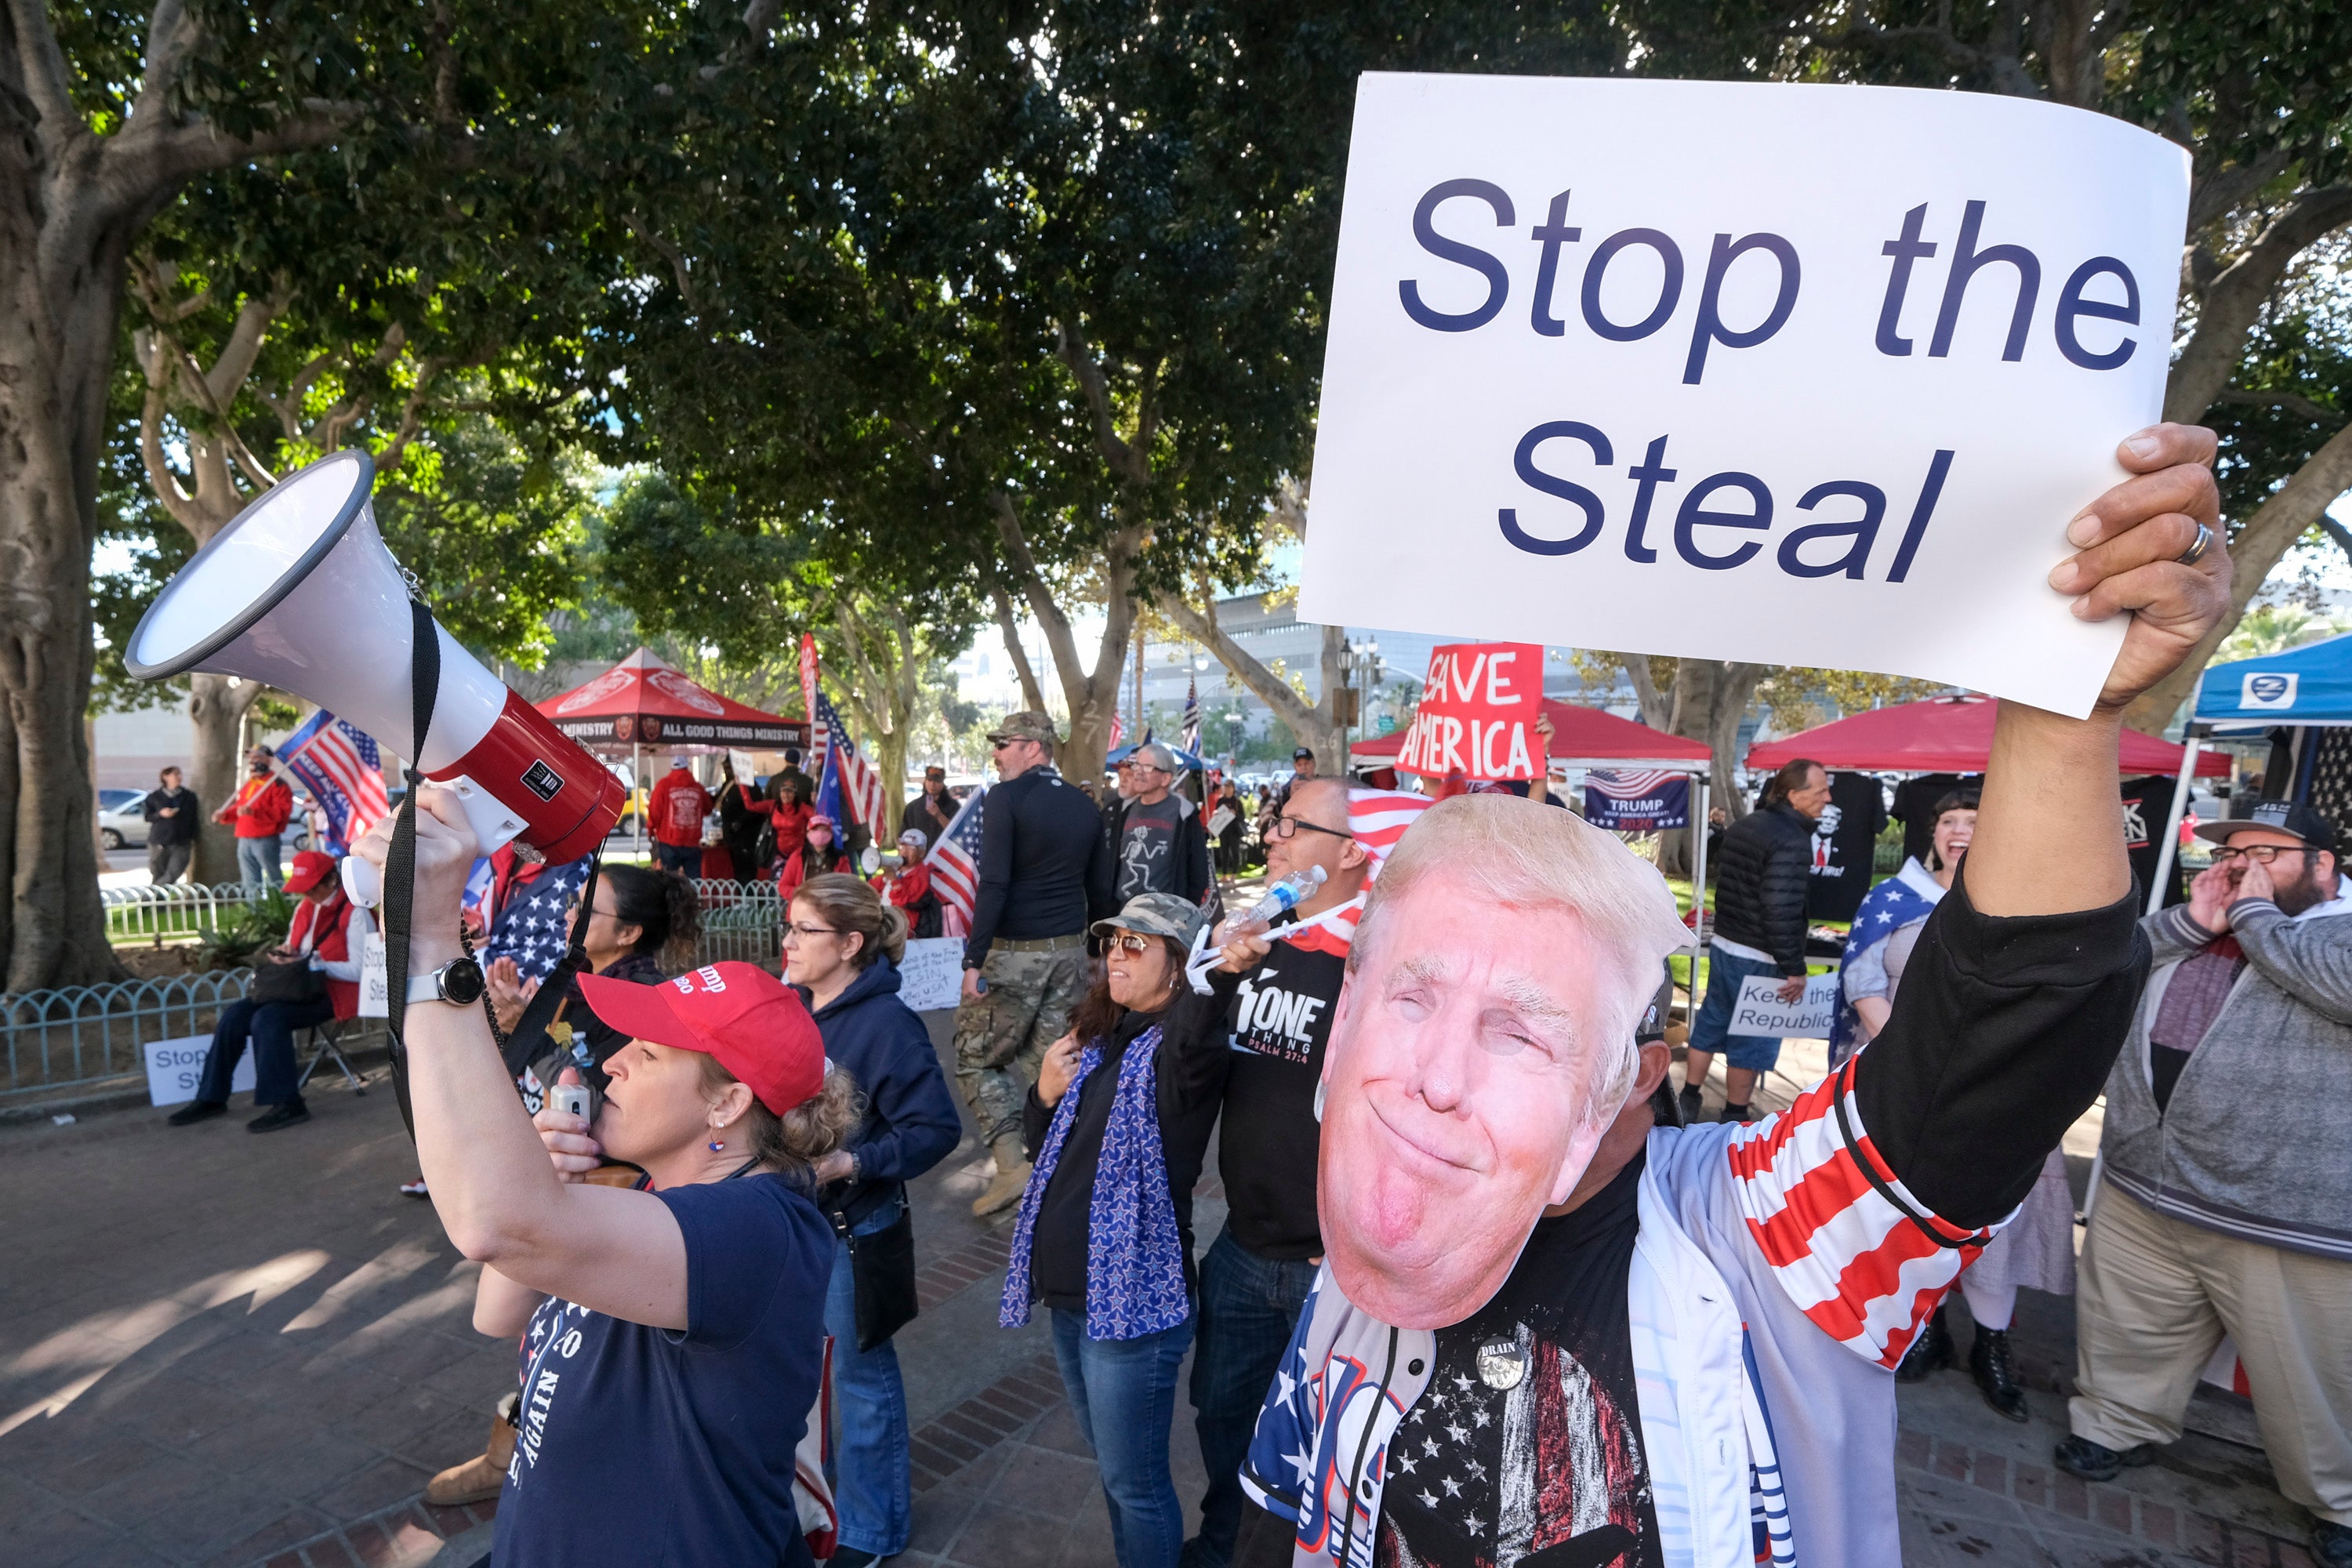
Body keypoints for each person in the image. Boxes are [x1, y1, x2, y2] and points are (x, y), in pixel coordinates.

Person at [1230, 422, 2230, 1568]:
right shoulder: (1367, 1228)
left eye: (1522, 1030)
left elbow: (2004, 1033)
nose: (1432, 1081)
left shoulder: (1755, 1242)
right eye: (1412, 999)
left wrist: (2066, 718)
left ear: (1635, 1077)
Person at [353, 789, 856, 1568]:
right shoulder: (649, 1190)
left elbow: (493, 1223)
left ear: (727, 1101)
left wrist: (428, 945)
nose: (613, 1060)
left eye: (648, 1054)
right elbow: (498, 1303)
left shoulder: (762, 1227)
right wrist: (554, 1179)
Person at [2060, 798, 2352, 1566]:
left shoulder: (2335, 930)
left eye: (2269, 853)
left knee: (2314, 1371)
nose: (2241, 865)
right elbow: (2106, 966)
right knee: (2129, 1323)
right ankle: (2113, 1425)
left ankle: (2338, 1500)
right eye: (2234, 852)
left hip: (2280, 1211)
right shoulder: (2208, 920)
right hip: (2145, 1182)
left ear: (2324, 867)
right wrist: (2191, 922)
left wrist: (2255, 914)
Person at [426, 862, 696, 1504]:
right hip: (557, 1187)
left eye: (584, 907)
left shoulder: (643, 1003)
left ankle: (542, 1462)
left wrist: (535, 1040)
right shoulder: (577, 981)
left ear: (628, 934)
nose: (565, 914)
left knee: (569, 1340)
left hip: (603, 1198)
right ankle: (513, 1448)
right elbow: (541, 1073)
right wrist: (517, 1019)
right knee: (534, 1327)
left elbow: (595, 1102)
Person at [1167, 776, 1371, 1568]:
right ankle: (1226, 1546)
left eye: (1291, 823)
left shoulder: (1385, 958)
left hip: (1343, 1273)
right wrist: (1216, 975)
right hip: (1244, 1253)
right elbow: (1183, 1078)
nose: (1272, 835)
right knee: (1223, 1424)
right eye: (1274, 820)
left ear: (1353, 849)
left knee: (1332, 1451)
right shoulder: (1259, 939)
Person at [1835, 792, 2078, 1419]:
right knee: (1911, 1209)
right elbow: (1862, 981)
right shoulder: (1895, 899)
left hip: (2001, 1091)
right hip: (1902, 1083)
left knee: (1994, 1219)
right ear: (1934, 833)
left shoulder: (2034, 906)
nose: (1961, 832)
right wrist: (1916, 1067)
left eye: (1975, 823)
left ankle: (1991, 1346)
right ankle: (1929, 1330)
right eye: (1950, 822)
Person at [1003, 892, 1221, 1568]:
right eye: (1112, 942)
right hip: (1072, 1296)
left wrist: (1223, 975)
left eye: (1137, 944)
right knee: (1112, 1468)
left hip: (1132, 1305)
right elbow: (1051, 1154)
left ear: (1180, 967)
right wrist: (1043, 1093)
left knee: (1135, 1482)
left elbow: (1199, 1030)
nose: (1116, 955)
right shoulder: (1099, 1038)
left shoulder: (1182, 1054)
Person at [783, 873, 961, 1568]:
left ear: (851, 944)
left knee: (859, 1381)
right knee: (808, 1378)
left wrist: (848, 1166)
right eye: (790, 926)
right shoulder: (796, 1004)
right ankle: (823, 1504)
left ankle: (872, 1530)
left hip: (852, 1231)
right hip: (797, 1224)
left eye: (805, 930)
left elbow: (936, 1130)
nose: (789, 942)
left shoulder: (887, 1024)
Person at [955, 710, 1115, 1217]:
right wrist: (1097, 955)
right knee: (1051, 1062)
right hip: (1069, 953)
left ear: (1032, 747)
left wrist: (973, 958)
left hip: (1016, 957)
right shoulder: (1085, 806)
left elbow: (994, 882)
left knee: (974, 1056)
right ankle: (1063, 1174)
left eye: (1003, 744)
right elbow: (1100, 890)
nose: (996, 753)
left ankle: (1012, 1169)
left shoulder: (1004, 798)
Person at [167, 850, 362, 1132]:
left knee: (269, 1019)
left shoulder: (355, 912)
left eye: (310, 889)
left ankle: (288, 1103)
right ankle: (211, 1097)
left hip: (335, 994)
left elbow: (359, 970)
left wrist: (312, 964)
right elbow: (294, 947)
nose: (305, 896)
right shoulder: (304, 908)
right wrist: (286, 955)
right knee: (235, 1016)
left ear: (331, 881)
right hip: (295, 988)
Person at [1681, 756, 1828, 1123]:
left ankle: (1689, 1096)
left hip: (1727, 943)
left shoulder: (1748, 824)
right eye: (1822, 790)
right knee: (1752, 1038)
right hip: (1761, 956)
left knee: (1712, 1020)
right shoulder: (1792, 840)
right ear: (1795, 795)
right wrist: (1794, 968)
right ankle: (1735, 1117)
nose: (1828, 798)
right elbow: (1780, 909)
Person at [1106, 740, 1212, 906]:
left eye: (1148, 768)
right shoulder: (1125, 810)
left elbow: (1198, 871)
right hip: (1124, 911)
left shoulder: (1184, 814)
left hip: (1165, 913)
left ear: (1165, 779)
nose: (1139, 773)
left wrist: (1185, 911)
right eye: (1137, 766)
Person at [214, 745, 293, 890]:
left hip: (266, 838)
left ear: (269, 760)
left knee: (274, 877)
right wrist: (224, 815)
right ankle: (255, 910)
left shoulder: (278, 784)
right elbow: (240, 807)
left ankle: (281, 907)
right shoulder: (249, 782)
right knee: (250, 880)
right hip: (244, 837)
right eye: (250, 757)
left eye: (257, 757)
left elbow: (281, 813)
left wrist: (254, 813)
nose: (252, 760)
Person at [646, 756, 713, 879]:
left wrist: (650, 830)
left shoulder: (663, 785)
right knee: (694, 882)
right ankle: (693, 898)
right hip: (692, 842)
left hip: (669, 842)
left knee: (669, 880)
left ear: (672, 768)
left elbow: (654, 812)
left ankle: (673, 898)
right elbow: (708, 809)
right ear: (687, 767)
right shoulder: (698, 788)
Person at [874, 828, 945, 938]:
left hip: (902, 923)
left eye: (911, 848)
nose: (904, 852)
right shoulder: (897, 868)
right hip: (885, 915)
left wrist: (894, 880)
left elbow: (904, 902)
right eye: (902, 847)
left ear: (921, 853)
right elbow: (872, 886)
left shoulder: (921, 874)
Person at [141, 765, 199, 884]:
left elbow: (194, 818)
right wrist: (161, 814)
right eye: (175, 774)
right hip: (159, 840)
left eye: (180, 774)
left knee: (174, 871)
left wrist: (193, 837)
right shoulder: (154, 797)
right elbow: (148, 817)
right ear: (165, 777)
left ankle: (150, 895)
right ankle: (157, 901)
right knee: (158, 872)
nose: (179, 777)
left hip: (182, 841)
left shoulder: (188, 796)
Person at [717, 757, 768, 885]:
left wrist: (740, 822)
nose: (726, 770)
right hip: (732, 838)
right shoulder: (728, 784)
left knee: (747, 871)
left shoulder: (750, 785)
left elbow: (756, 809)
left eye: (729, 767)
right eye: (726, 767)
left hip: (746, 837)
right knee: (737, 871)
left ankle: (749, 899)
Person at [778, 813, 852, 898]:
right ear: (808, 833)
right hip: (803, 907)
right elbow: (783, 886)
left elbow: (847, 887)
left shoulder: (841, 859)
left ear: (831, 834)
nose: (820, 833)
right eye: (816, 829)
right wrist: (801, 894)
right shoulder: (798, 856)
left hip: (830, 908)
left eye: (825, 830)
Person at [903, 764, 957, 844]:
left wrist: (939, 816)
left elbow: (957, 833)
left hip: (943, 853)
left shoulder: (953, 806)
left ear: (942, 783)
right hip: (920, 854)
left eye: (937, 781)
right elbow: (904, 835)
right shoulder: (913, 807)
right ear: (925, 781)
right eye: (929, 780)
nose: (932, 784)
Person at [1210, 779, 1245, 878]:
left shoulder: (1237, 801)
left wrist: (1235, 813)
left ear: (1234, 789)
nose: (1228, 789)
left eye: (1230, 787)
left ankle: (1234, 874)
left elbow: (1242, 817)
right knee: (1224, 853)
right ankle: (1224, 874)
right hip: (1223, 831)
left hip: (1234, 831)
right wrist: (1216, 814)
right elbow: (1217, 813)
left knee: (1235, 853)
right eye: (1226, 787)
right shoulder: (1221, 801)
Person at [1270, 746, 1316, 816]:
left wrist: (1311, 788)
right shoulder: (1289, 788)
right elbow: (1277, 813)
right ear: (1295, 767)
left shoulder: (1324, 784)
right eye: (1299, 765)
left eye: (1306, 763)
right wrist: (1290, 796)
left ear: (1313, 763)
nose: (1303, 768)